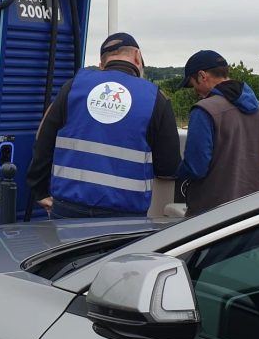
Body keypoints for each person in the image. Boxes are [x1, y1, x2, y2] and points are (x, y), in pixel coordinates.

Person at [27, 32, 182, 218]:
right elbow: (168, 167)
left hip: (69, 206)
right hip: (125, 213)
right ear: (137, 56)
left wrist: (39, 189)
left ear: (102, 64)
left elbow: (44, 139)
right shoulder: (156, 98)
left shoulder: (73, 88)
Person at [176, 49, 259, 216]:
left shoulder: (203, 110)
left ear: (202, 75)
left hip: (210, 214)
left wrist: (175, 170)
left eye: (192, 84)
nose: (195, 91)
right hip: (249, 211)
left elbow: (196, 168)